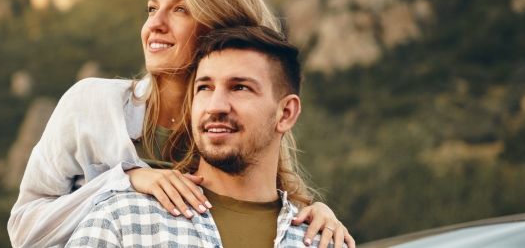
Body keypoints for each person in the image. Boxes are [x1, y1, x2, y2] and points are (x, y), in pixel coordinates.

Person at [9, 0, 354, 248]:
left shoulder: (222, 127)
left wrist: (317, 216)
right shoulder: (91, 105)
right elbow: (24, 231)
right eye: (151, 8)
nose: (154, 24)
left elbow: (255, 196)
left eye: (180, 10)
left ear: (217, 28)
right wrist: (126, 179)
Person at [66, 25, 344, 248]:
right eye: (205, 87)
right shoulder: (122, 219)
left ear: (285, 114)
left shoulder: (322, 240)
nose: (216, 106)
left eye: (240, 88)